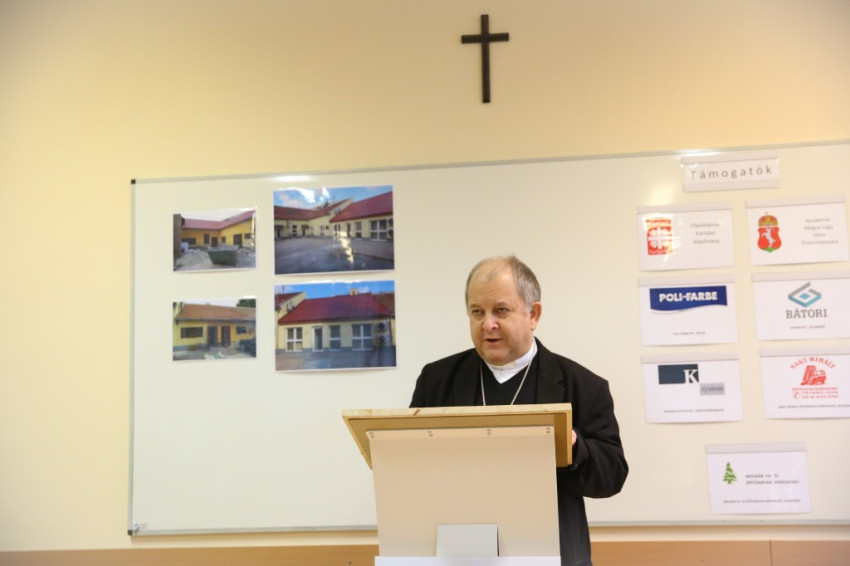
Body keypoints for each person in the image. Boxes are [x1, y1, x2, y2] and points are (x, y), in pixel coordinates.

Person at [410, 255, 628, 566]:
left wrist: (573, 445)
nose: (488, 324)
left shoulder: (583, 385)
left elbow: (612, 476)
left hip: (553, 554)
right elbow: (412, 468)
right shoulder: (437, 379)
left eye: (501, 310)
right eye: (477, 312)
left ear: (533, 314)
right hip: (461, 554)